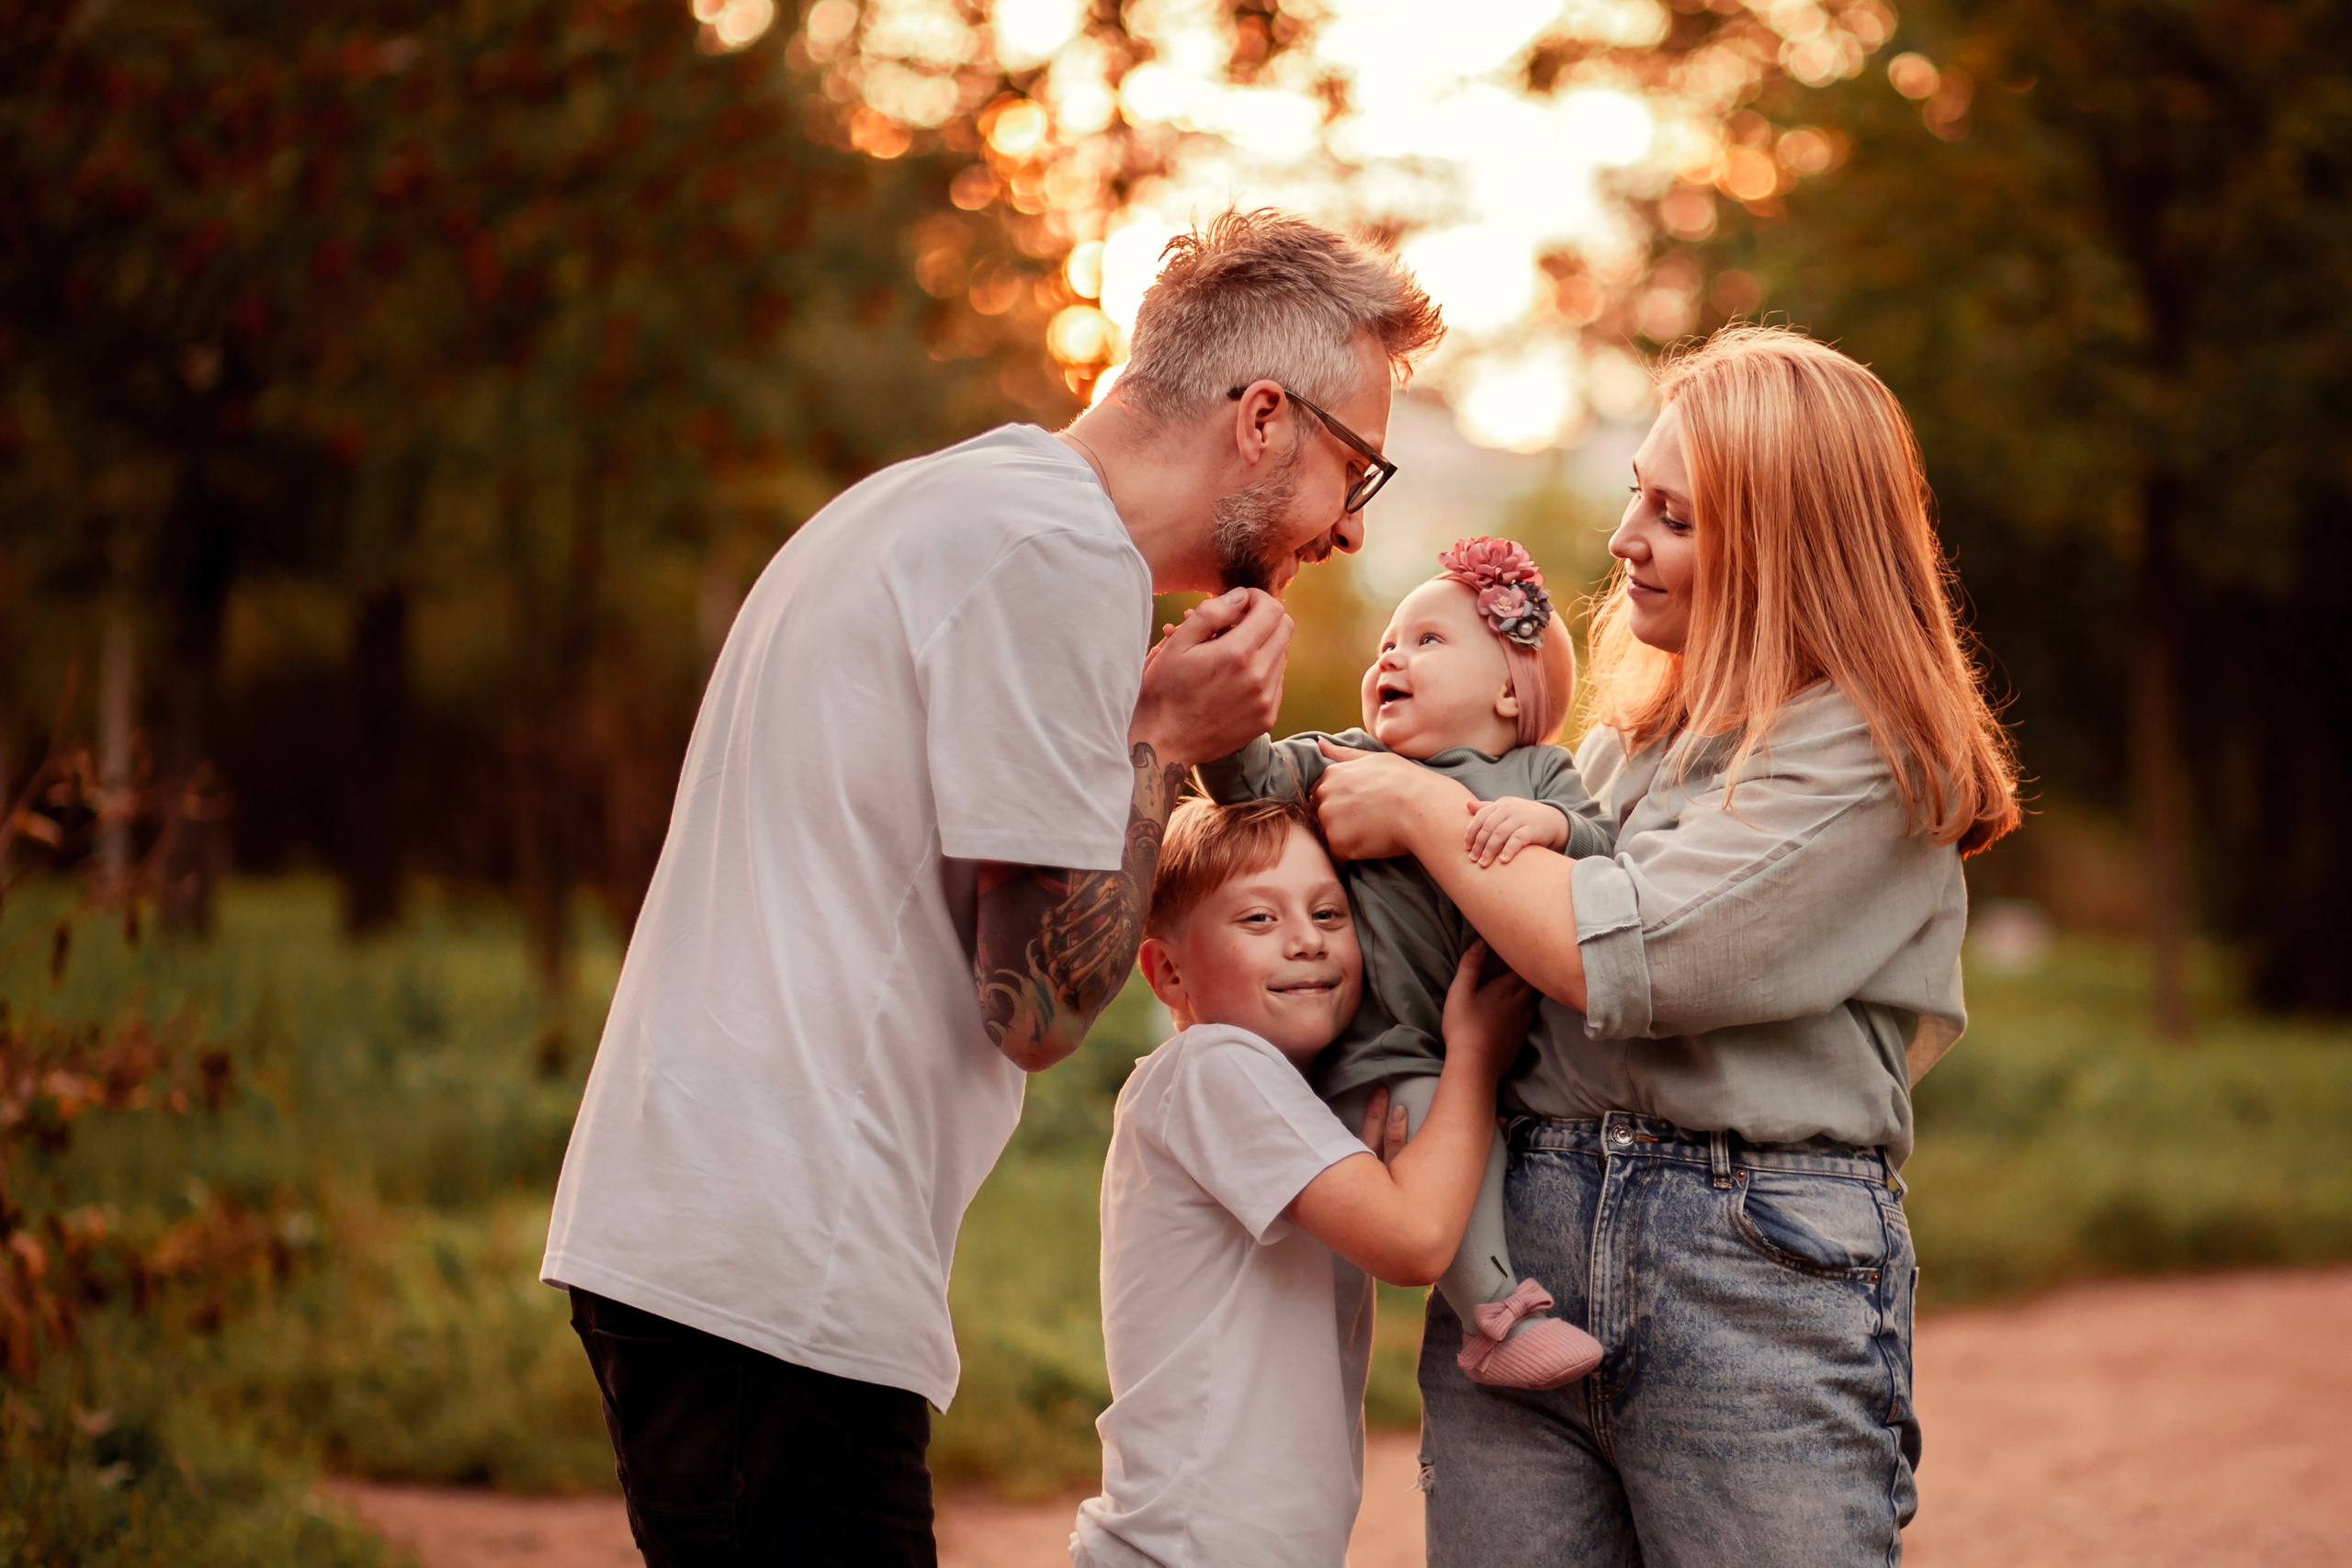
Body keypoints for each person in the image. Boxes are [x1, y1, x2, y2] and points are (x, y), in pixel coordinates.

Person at [539, 209, 1442, 1567]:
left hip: (708, 1227)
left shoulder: (947, 504)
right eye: (1354, 469)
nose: (1349, 534)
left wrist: (1134, 725)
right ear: (1262, 418)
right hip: (782, 1257)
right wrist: (1157, 741)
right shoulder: (1058, 556)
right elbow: (1039, 1002)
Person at [1311, 325, 2020, 1567]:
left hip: (1750, 1263)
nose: (1625, 536)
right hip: (1529, 1242)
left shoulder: (1865, 754)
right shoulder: (1624, 748)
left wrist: (1424, 805)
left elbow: (1624, 953)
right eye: (1638, 492)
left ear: (1784, 547)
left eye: (1674, 514)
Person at [1073, 796, 1533, 1568]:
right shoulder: (1216, 1065)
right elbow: (1415, 1239)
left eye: (1329, 913)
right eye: (1258, 919)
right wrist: (1474, 1056)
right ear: (1168, 969)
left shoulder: (1279, 1095)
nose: (1306, 941)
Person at [1197, 536, 1611, 1389]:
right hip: (1387, 1049)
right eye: (1388, 640)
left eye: (1427, 640)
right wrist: (1224, 704)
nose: (1392, 652)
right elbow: (1248, 782)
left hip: (1495, 1050)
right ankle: (1493, 1318)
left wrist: (1550, 828)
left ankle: (1497, 1301)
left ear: (1508, 689)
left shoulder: (1542, 774)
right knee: (1441, 1131)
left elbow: (1603, 851)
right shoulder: (1347, 758)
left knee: (1481, 1151)